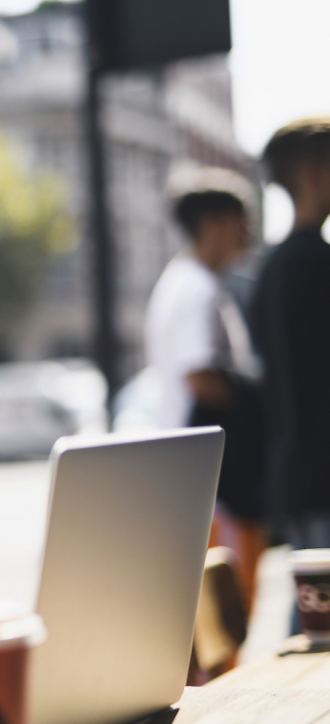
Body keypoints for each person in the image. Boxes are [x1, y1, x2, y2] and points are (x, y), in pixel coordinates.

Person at [144, 170, 266, 646]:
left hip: (199, 477)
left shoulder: (185, 282)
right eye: (242, 219)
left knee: (212, 620)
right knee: (225, 620)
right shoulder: (196, 289)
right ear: (214, 223)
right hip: (215, 482)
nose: (249, 230)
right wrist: (257, 403)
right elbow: (201, 375)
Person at [250, 117, 330, 615]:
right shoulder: (313, 265)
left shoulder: (272, 268)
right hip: (322, 477)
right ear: (313, 172)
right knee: (320, 635)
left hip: (298, 474)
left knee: (312, 627)